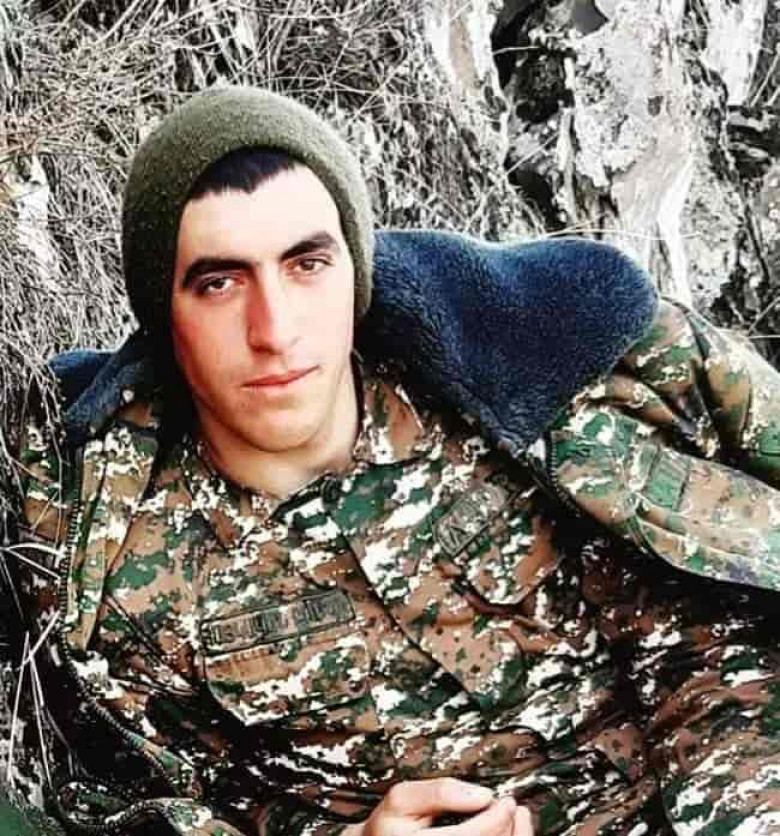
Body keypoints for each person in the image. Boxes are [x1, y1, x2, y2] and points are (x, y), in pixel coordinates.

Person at [6, 85, 780, 836]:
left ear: (357, 272)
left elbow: (716, 584)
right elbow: (144, 800)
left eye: (307, 264)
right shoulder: (107, 562)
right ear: (162, 314)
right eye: (218, 283)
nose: (274, 330)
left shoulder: (539, 368)